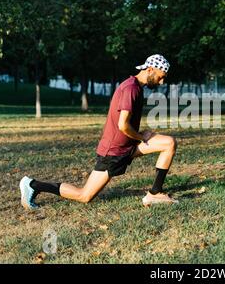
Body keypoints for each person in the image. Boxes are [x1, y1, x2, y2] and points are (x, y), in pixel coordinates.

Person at [19, 54, 178, 209]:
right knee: (85, 195)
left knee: (169, 143)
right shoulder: (131, 89)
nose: (162, 81)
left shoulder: (135, 86)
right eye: (160, 76)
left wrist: (141, 134)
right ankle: (33, 185)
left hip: (128, 146)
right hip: (115, 152)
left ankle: (155, 194)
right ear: (150, 69)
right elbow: (123, 125)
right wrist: (141, 137)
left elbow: (124, 124)